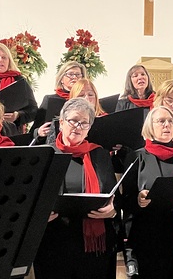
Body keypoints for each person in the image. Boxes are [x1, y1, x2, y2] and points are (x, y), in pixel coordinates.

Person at [33, 98, 118, 279]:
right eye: (73, 120)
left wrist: (112, 211)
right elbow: (31, 198)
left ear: (89, 129)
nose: (78, 127)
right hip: (52, 241)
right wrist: (39, 215)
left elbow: (113, 195)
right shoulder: (45, 154)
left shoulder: (100, 154)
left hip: (94, 247)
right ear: (62, 123)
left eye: (84, 123)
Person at [122, 106, 173, 279]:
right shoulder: (137, 157)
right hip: (150, 237)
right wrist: (138, 199)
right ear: (150, 126)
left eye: (170, 121)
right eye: (161, 121)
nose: (167, 125)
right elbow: (125, 200)